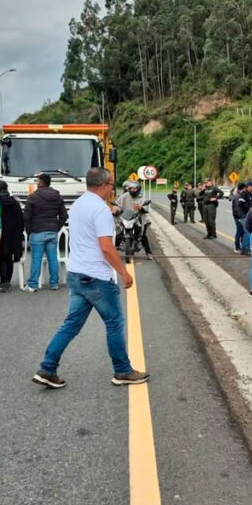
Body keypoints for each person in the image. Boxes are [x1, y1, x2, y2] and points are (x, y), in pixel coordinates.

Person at [32, 167, 149, 389]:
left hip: (77, 274)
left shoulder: (77, 205)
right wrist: (124, 272)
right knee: (114, 323)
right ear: (104, 186)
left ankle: (47, 368)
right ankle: (123, 370)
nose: (112, 189)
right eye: (112, 185)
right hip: (97, 277)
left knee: (71, 325)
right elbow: (106, 247)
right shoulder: (100, 209)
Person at [24, 173, 68, 292]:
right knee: (52, 258)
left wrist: (29, 231)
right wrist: (56, 227)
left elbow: (27, 217)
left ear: (40, 183)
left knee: (36, 259)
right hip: (52, 232)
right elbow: (64, 215)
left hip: (37, 231)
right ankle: (54, 283)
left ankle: (32, 285)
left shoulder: (33, 197)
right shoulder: (57, 196)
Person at [0, 181, 25, 293]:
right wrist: (19, 234)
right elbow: (20, 219)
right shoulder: (14, 202)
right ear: (6, 189)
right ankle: (8, 281)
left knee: (0, 257)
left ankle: (3, 281)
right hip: (12, 235)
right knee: (9, 258)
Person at [115, 180, 153, 258]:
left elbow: (146, 209)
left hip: (138, 219)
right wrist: (116, 209)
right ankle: (114, 251)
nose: (132, 190)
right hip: (126, 218)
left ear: (138, 189)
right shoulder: (124, 196)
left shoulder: (142, 197)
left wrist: (140, 208)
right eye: (131, 188)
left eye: (134, 188)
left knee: (142, 236)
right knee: (119, 234)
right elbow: (118, 205)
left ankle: (148, 253)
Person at [231, 183, 248, 253]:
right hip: (239, 216)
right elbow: (237, 208)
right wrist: (239, 217)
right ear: (243, 188)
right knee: (240, 232)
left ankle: (241, 246)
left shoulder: (238, 195)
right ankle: (237, 247)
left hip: (239, 216)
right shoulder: (238, 196)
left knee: (242, 232)